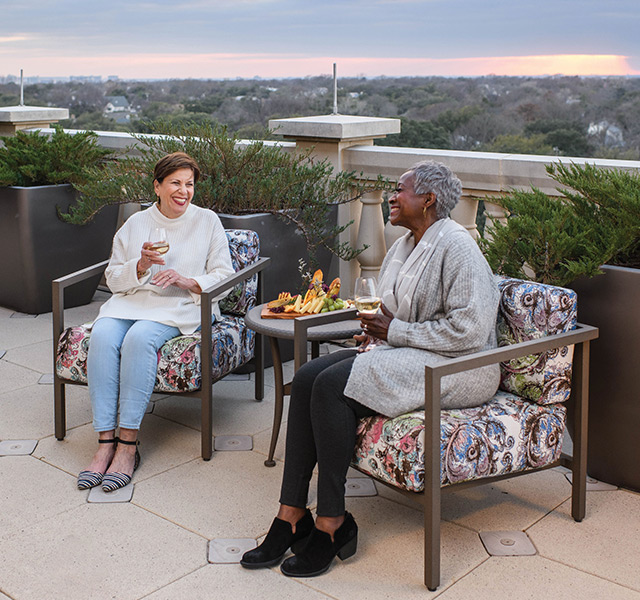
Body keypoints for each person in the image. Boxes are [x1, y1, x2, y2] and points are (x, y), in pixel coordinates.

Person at [240, 160, 500, 577]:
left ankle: (332, 522)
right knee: (309, 377)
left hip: (462, 367)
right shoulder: (406, 245)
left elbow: (469, 332)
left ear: (428, 200)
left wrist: (394, 331)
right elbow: (395, 313)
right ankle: (291, 514)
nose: (392, 198)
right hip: (418, 352)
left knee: (330, 388)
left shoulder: (458, 247)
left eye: (401, 191)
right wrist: (382, 333)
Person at [77, 152, 234, 493]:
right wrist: (141, 266)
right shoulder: (135, 223)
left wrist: (187, 280)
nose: (184, 191)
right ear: (158, 186)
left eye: (189, 184)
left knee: (139, 339)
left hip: (177, 307)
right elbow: (114, 277)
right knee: (103, 333)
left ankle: (128, 447)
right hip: (131, 302)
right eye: (176, 183)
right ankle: (105, 442)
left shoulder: (207, 221)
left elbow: (225, 276)